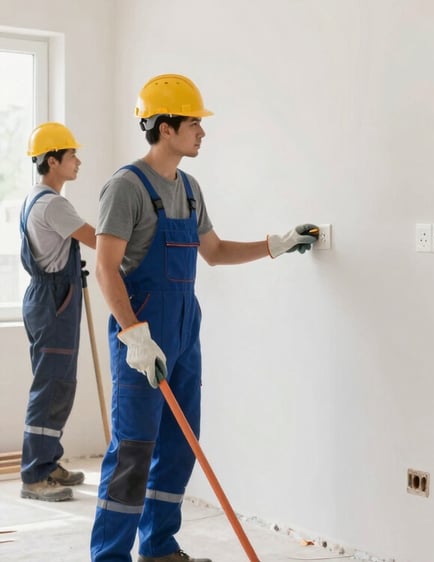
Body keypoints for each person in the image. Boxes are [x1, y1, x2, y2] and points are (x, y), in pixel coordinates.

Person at [90, 73, 317, 562]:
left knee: (179, 442)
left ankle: (158, 546)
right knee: (132, 450)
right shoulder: (125, 187)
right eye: (194, 122)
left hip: (184, 330)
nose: (203, 132)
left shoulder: (190, 189)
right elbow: (105, 269)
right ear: (165, 127)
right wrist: (134, 336)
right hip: (143, 332)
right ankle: (109, 555)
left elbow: (213, 251)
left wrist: (276, 244)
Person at [19, 122, 97, 502]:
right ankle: (35, 476)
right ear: (53, 161)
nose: (78, 161)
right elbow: (96, 238)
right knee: (51, 388)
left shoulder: (35, 198)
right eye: (71, 156)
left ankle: (48, 463)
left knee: (56, 385)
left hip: (46, 298)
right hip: (55, 302)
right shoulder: (54, 203)